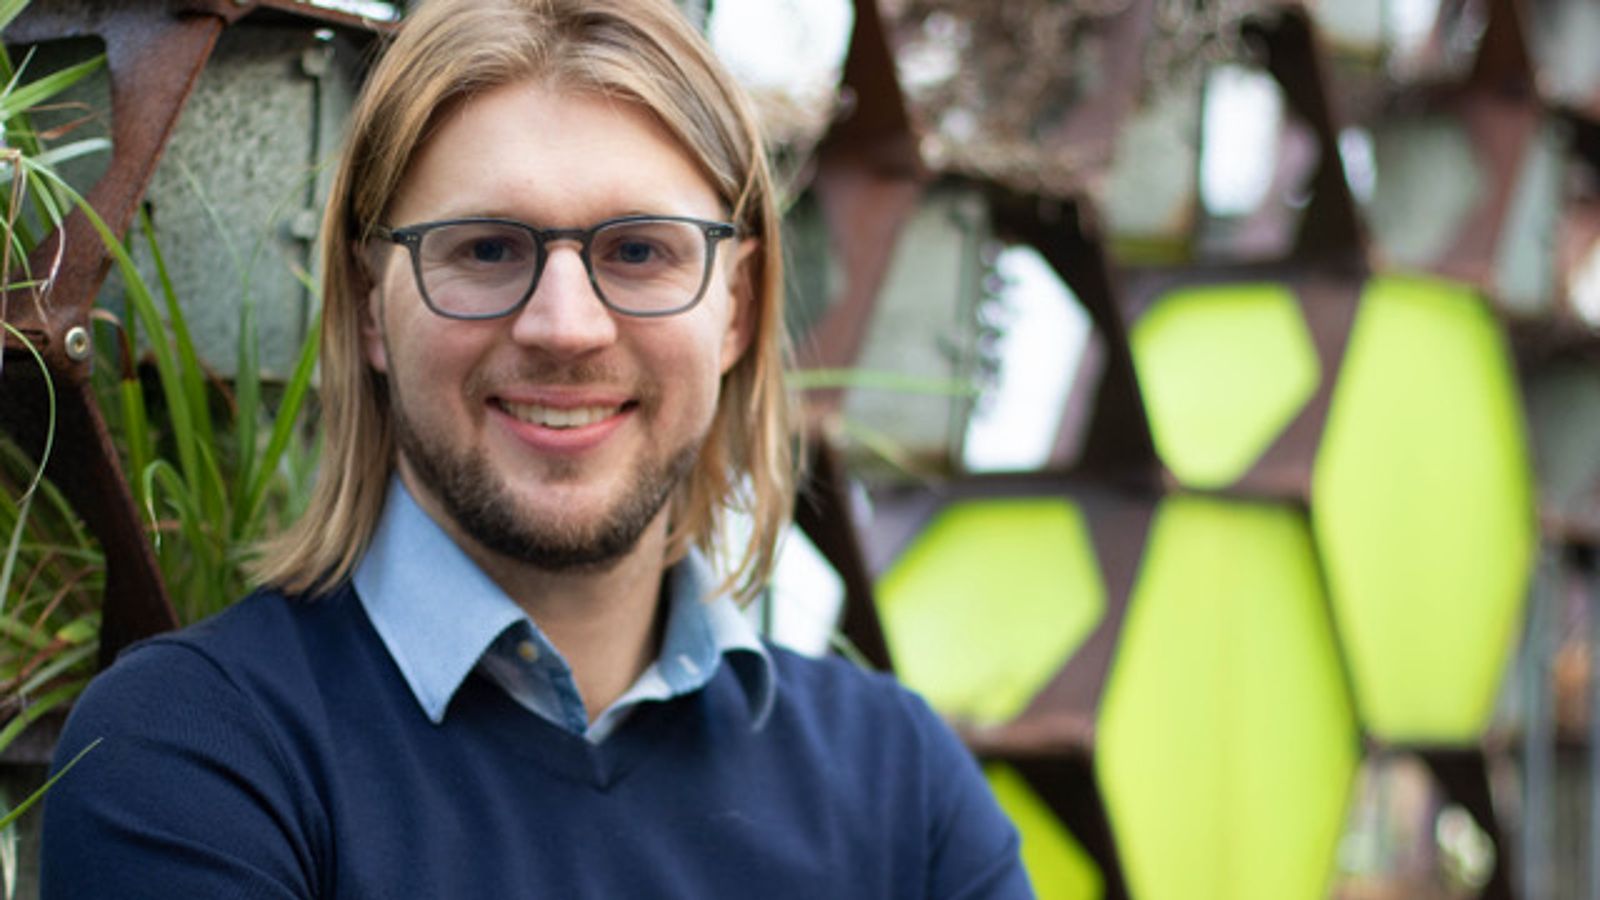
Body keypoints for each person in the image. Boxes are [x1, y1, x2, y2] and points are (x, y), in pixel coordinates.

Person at [40, 0, 1031, 896]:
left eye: (639, 251)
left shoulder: (902, 786)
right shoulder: (196, 756)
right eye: (484, 248)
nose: (566, 327)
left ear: (736, 309)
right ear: (370, 307)